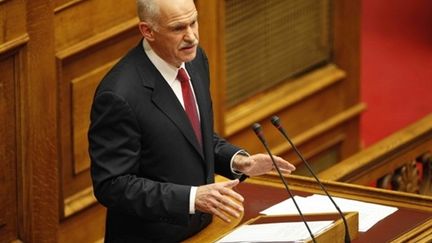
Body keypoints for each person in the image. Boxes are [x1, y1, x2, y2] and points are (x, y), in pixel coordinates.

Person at [88, 0, 296, 242]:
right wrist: (190, 198)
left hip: (205, 229)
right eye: (178, 28)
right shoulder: (118, 95)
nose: (192, 37)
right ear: (147, 31)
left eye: (193, 23)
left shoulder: (195, 61)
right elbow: (113, 185)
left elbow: (194, 136)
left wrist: (239, 162)